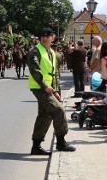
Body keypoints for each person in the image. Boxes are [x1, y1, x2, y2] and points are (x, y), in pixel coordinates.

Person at [28, 27, 75, 155]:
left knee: (45, 115)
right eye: (42, 35)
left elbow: (55, 73)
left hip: (48, 88)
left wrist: (56, 90)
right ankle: (61, 142)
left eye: (47, 35)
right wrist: (45, 86)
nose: (44, 38)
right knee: (58, 110)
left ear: (52, 38)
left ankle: (36, 146)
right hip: (39, 87)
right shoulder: (35, 51)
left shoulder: (52, 53)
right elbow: (35, 70)